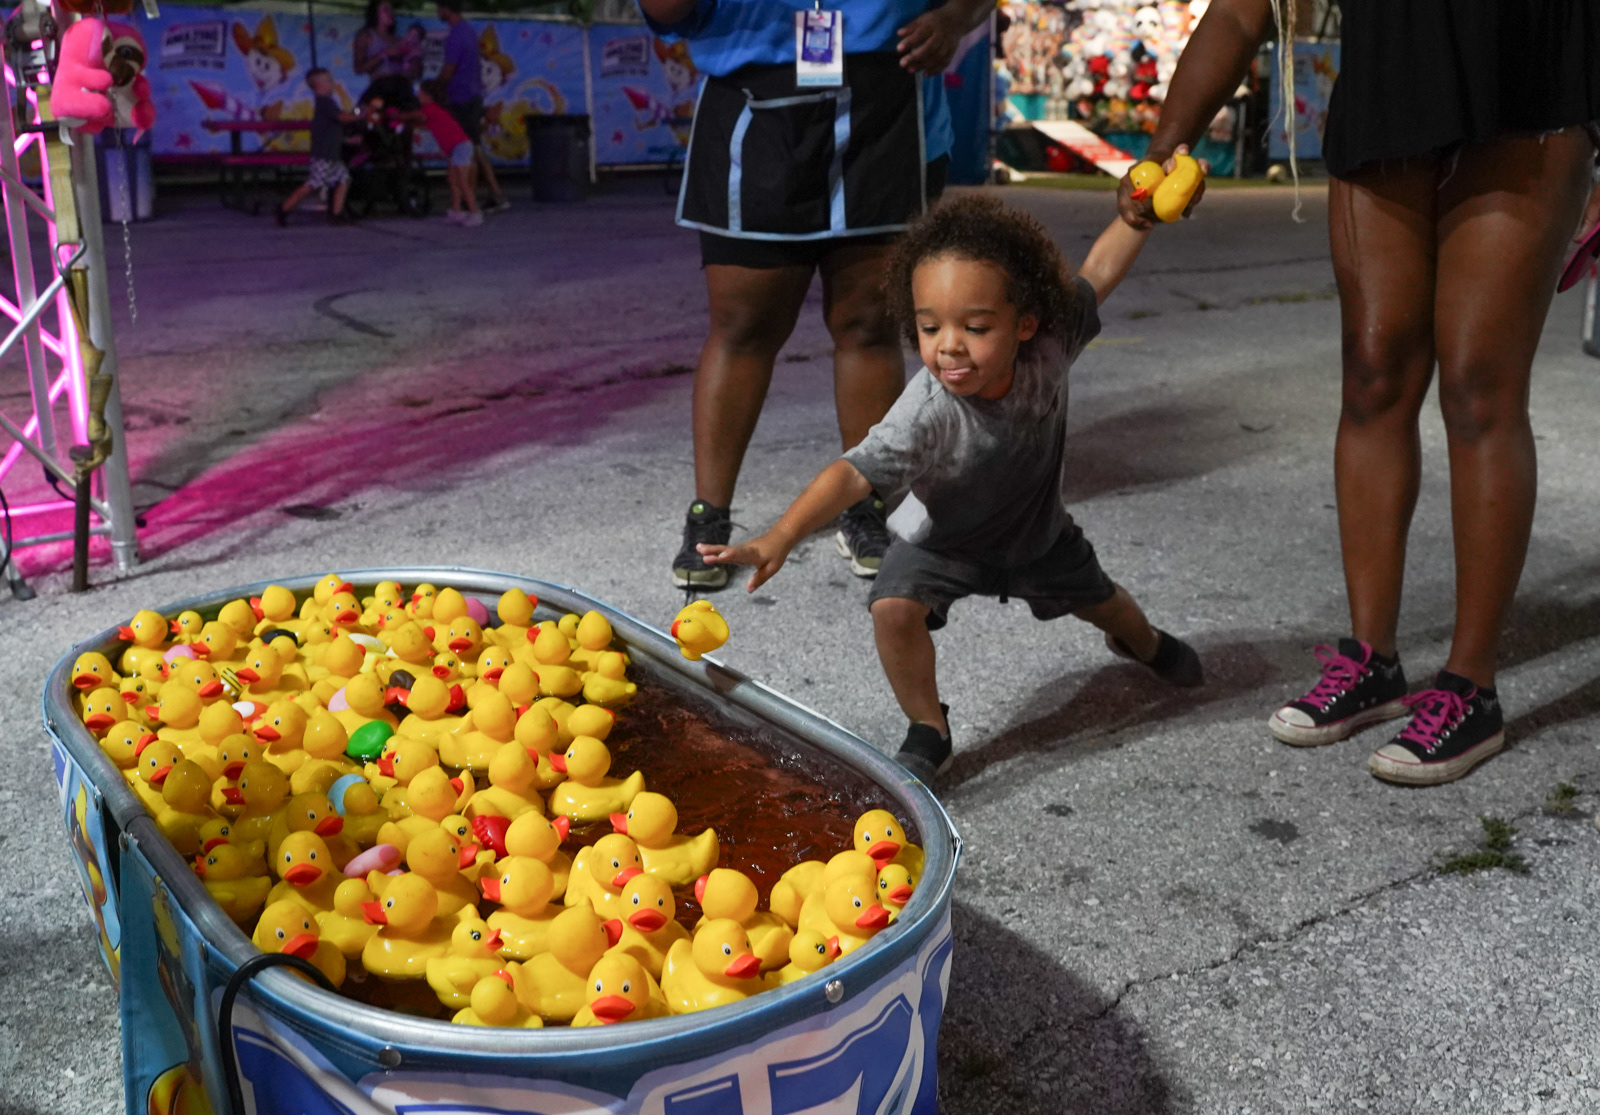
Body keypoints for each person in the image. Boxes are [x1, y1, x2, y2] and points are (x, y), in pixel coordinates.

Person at [1121, 1, 1600, 786]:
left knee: (1481, 382)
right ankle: (1372, 661)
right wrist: (1167, 141)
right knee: (1374, 373)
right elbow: (1244, 10)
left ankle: (1470, 688)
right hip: (1390, 87)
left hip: (1534, 88)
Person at [700, 194, 1204, 785]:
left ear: (1025, 325)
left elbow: (1098, 272)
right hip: (942, 540)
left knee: (1110, 605)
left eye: (976, 326)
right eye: (929, 326)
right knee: (892, 607)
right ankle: (928, 727)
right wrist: (781, 534)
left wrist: (1135, 217)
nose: (949, 346)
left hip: (1039, 538)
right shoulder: (927, 409)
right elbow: (853, 470)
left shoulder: (1051, 346)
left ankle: (1143, 645)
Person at [637, 0, 995, 590]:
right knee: (743, 327)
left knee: (869, 324)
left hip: (887, 102)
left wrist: (956, 17)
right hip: (754, 104)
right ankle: (709, 516)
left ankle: (865, 508)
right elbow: (666, 11)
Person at [435, 0, 509, 213]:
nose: (438, 12)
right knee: (475, 146)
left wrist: (434, 87)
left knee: (466, 148)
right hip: (472, 95)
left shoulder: (456, 35)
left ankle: (471, 199)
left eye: (439, 8)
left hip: (462, 98)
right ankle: (495, 193)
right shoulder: (467, 31)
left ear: (446, 9)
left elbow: (449, 70)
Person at [276, 68, 359, 227]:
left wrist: (347, 140)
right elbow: (342, 118)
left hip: (331, 153)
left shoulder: (328, 103)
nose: (332, 83)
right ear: (318, 85)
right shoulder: (325, 102)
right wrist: (359, 116)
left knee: (344, 179)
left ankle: (336, 213)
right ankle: (284, 209)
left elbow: (331, 129)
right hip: (324, 154)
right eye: (328, 80)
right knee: (314, 183)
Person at [412, 79, 481, 226]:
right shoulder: (433, 112)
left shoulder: (430, 109)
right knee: (453, 181)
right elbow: (422, 124)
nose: (418, 96)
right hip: (454, 148)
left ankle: (475, 213)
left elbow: (414, 117)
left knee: (462, 181)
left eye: (421, 94)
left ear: (429, 97)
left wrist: (396, 116)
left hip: (461, 146)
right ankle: (457, 211)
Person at [353, 0, 420, 110]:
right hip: (380, 87)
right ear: (375, 14)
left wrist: (413, 64)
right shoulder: (366, 36)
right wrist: (385, 54)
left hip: (401, 87)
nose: (390, 13)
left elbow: (413, 68)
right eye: (385, 10)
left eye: (391, 10)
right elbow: (358, 69)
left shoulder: (399, 39)